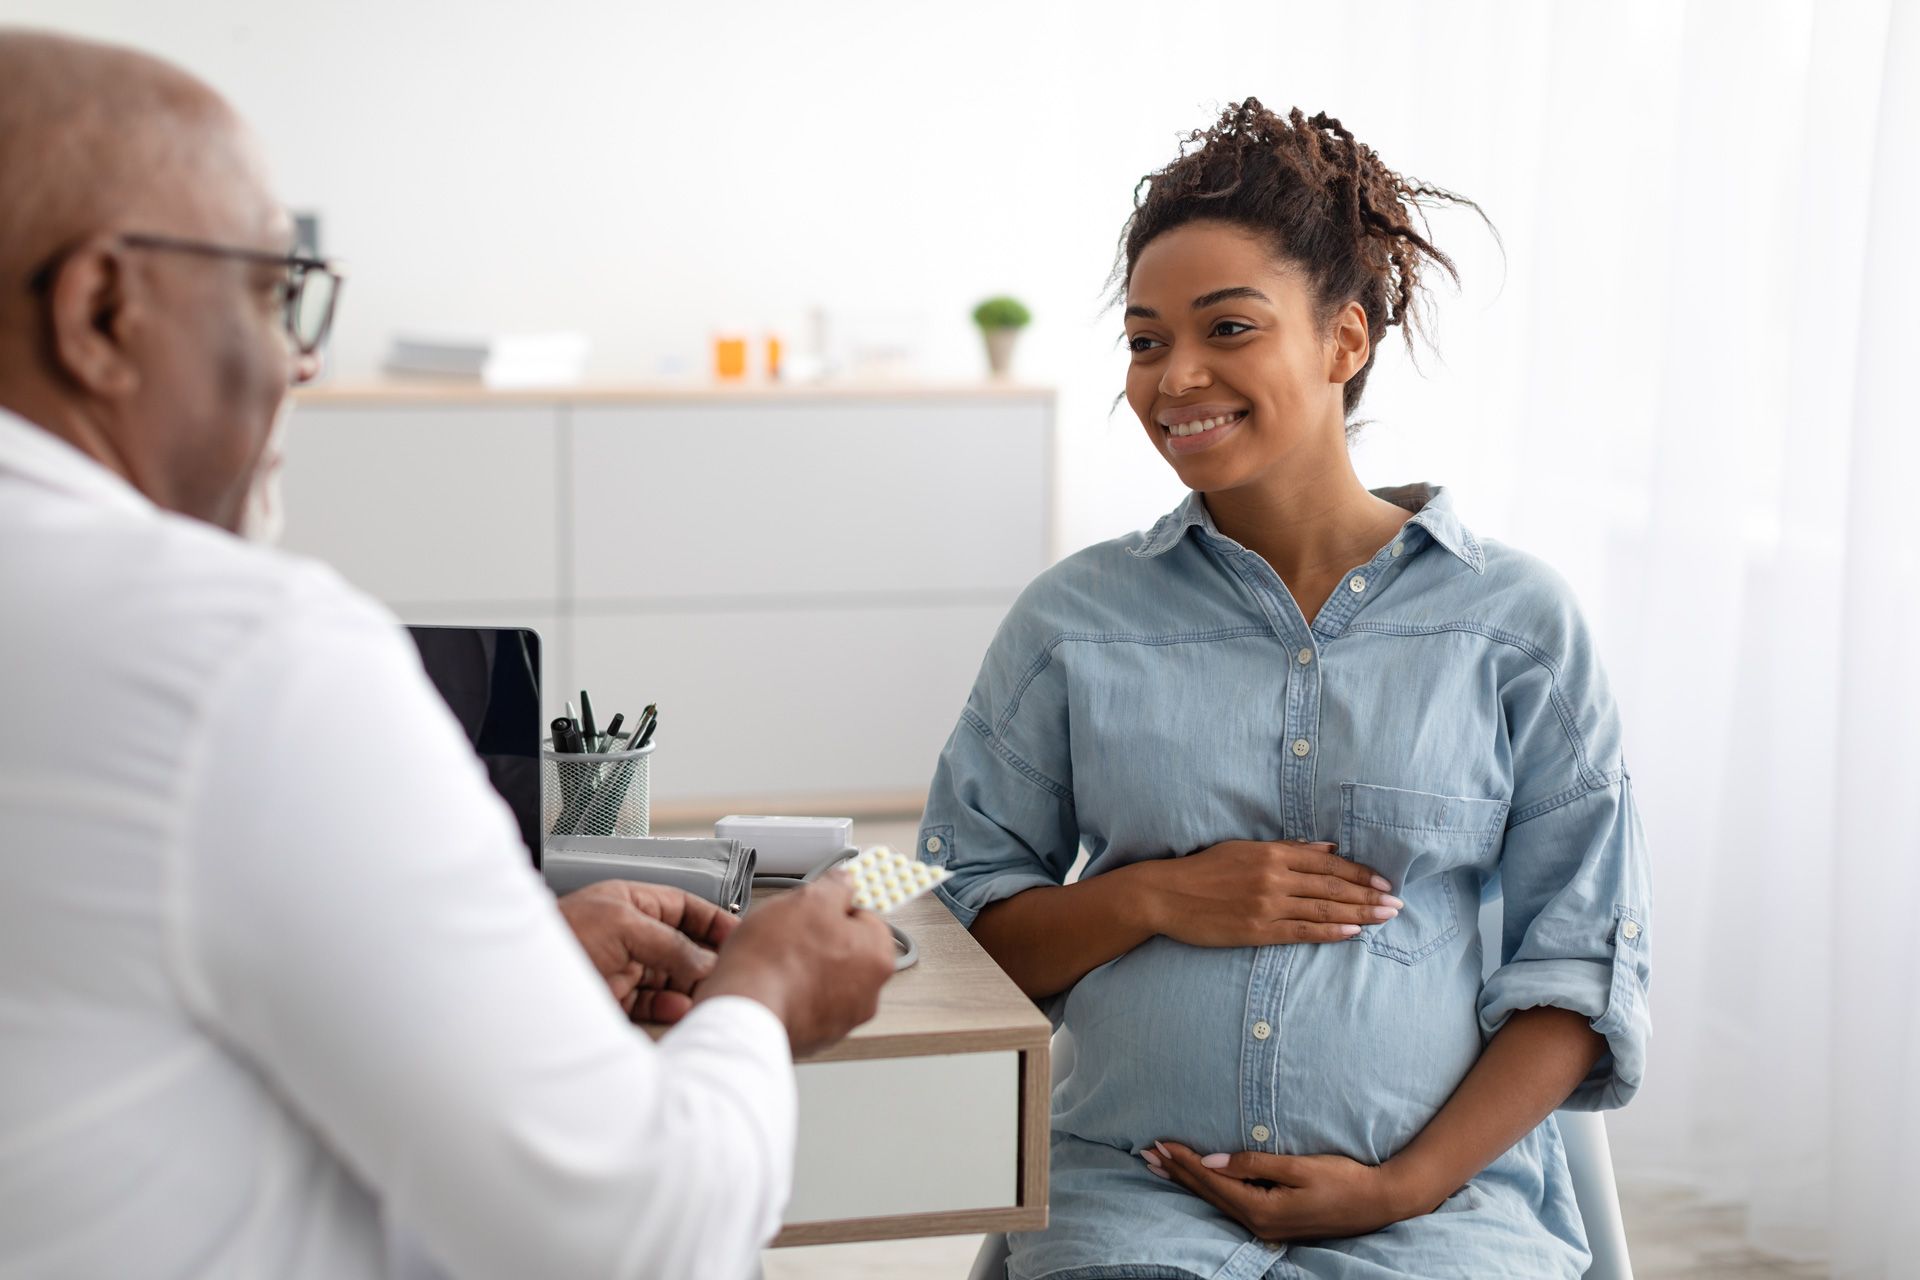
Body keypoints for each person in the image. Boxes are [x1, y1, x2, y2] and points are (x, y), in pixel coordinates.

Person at [0, 29, 896, 1280]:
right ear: (101, 310)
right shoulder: (247, 660)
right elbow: (638, 1231)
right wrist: (767, 992)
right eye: (273, 290)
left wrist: (501, 969)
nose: (301, 356)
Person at [919, 100, 1651, 1279]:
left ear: (1343, 340)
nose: (1175, 376)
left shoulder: (1516, 626)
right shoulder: (1071, 622)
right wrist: (1157, 896)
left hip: (1440, 1213)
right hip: (1127, 1196)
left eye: (1228, 327)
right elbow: (941, 903)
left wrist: (1404, 1183)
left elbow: (1583, 962)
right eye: (1148, 338)